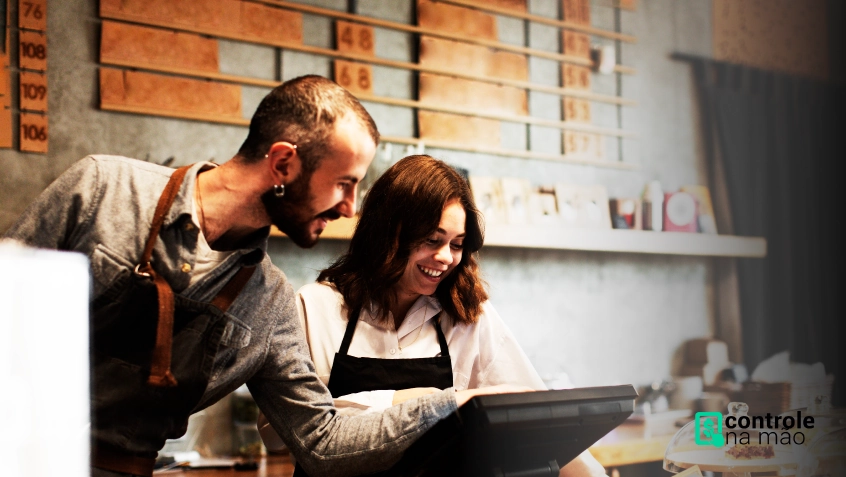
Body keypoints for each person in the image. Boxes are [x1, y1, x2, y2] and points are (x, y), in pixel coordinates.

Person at [3, 76, 507, 477]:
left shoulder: (270, 303)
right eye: (345, 184)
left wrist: (447, 404)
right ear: (284, 162)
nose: (351, 207)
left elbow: (322, 444)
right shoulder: (103, 190)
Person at [258, 155, 609, 477]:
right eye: (432, 239)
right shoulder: (315, 307)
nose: (445, 257)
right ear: (387, 233)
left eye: (456, 244)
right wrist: (420, 401)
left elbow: (532, 418)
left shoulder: (469, 315)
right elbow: (276, 434)